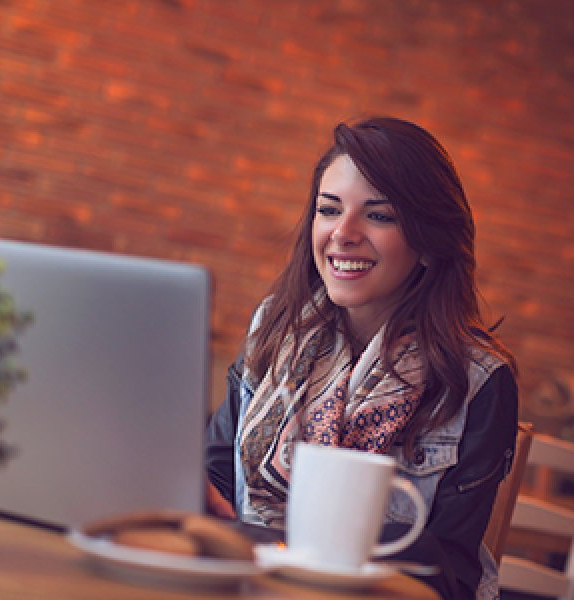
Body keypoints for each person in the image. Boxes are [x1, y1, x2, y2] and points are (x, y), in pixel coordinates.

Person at [204, 116, 518, 599]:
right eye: (329, 210)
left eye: (379, 215)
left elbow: (449, 570)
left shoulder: (478, 380)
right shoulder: (272, 328)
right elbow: (217, 475)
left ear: (430, 244)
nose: (344, 233)